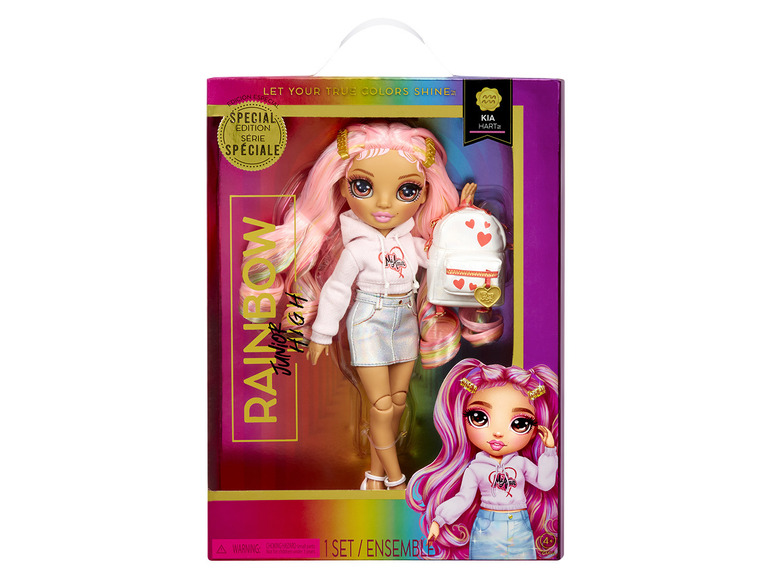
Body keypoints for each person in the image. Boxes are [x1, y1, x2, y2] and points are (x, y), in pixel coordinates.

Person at [406, 358, 559, 559]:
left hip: (520, 527)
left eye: (519, 423)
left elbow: (545, 483)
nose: (497, 433)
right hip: (486, 528)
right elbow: (463, 499)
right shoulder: (475, 468)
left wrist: (549, 451)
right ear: (463, 421)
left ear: (533, 432)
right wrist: (439, 520)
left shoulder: (521, 464)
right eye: (479, 418)